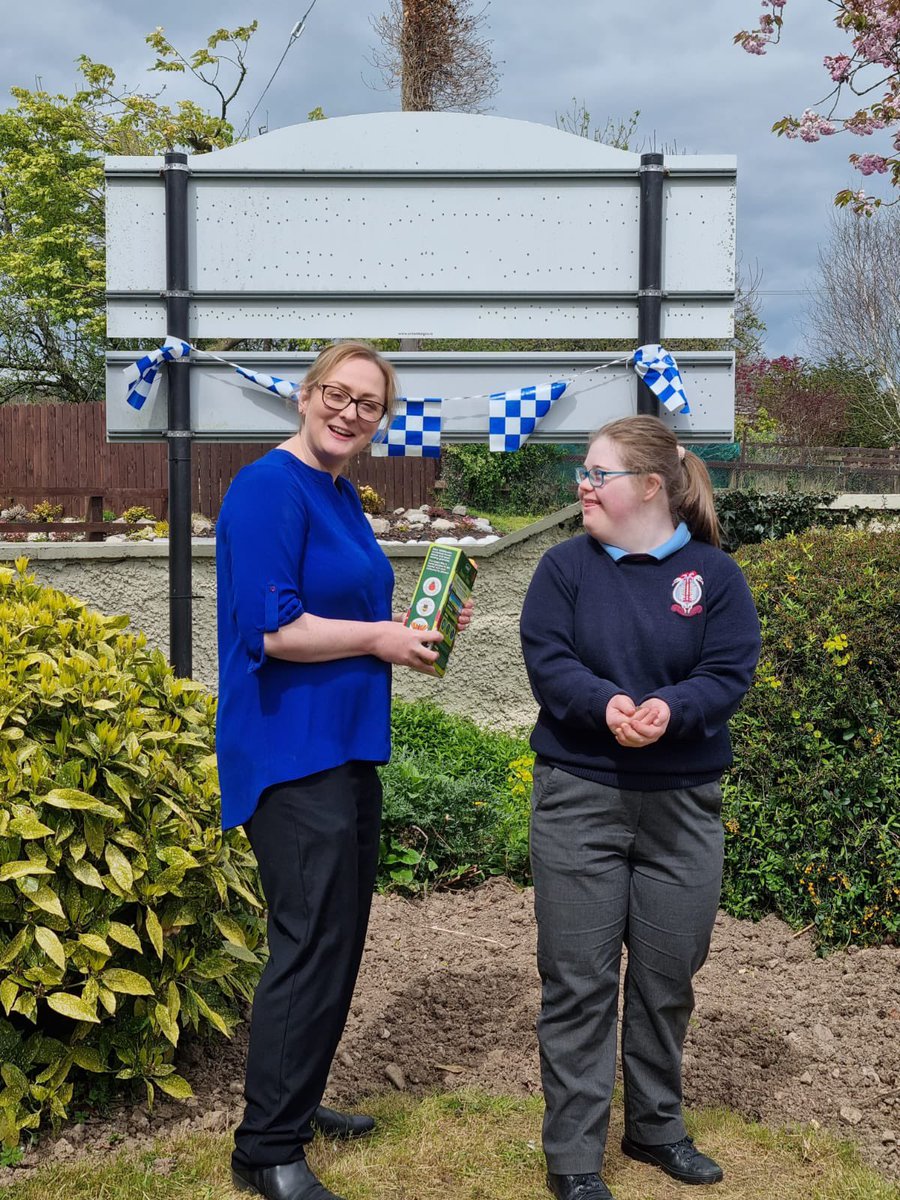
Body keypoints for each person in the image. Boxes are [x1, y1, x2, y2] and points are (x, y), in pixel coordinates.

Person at [216, 341, 470, 1200]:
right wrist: (376, 638)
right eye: (338, 393)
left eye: (369, 403)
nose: (350, 412)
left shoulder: (340, 497)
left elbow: (347, 613)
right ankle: (266, 1151)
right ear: (304, 395)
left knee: (339, 939)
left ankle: (296, 1101)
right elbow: (276, 632)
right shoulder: (265, 490)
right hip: (290, 752)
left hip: (346, 745)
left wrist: (411, 625)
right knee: (309, 940)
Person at [520, 415, 760, 1200]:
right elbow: (549, 662)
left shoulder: (715, 579)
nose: (582, 487)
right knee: (579, 982)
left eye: (598, 474)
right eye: (583, 473)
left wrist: (671, 709)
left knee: (666, 978)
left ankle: (656, 1129)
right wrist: (608, 704)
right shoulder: (563, 569)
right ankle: (575, 1159)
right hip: (579, 799)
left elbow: (727, 672)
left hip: (683, 808)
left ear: (651, 487)